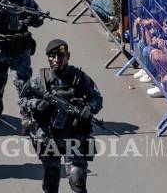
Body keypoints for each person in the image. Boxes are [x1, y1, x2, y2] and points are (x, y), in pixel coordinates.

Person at [18, 39, 104, 193]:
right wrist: (37, 104)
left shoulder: (79, 78)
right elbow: (23, 101)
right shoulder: (39, 79)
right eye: (53, 56)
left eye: (61, 55)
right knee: (52, 178)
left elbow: (97, 98)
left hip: (75, 135)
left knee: (77, 177)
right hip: (48, 135)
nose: (57, 59)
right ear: (48, 58)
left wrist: (90, 109)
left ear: (68, 56)